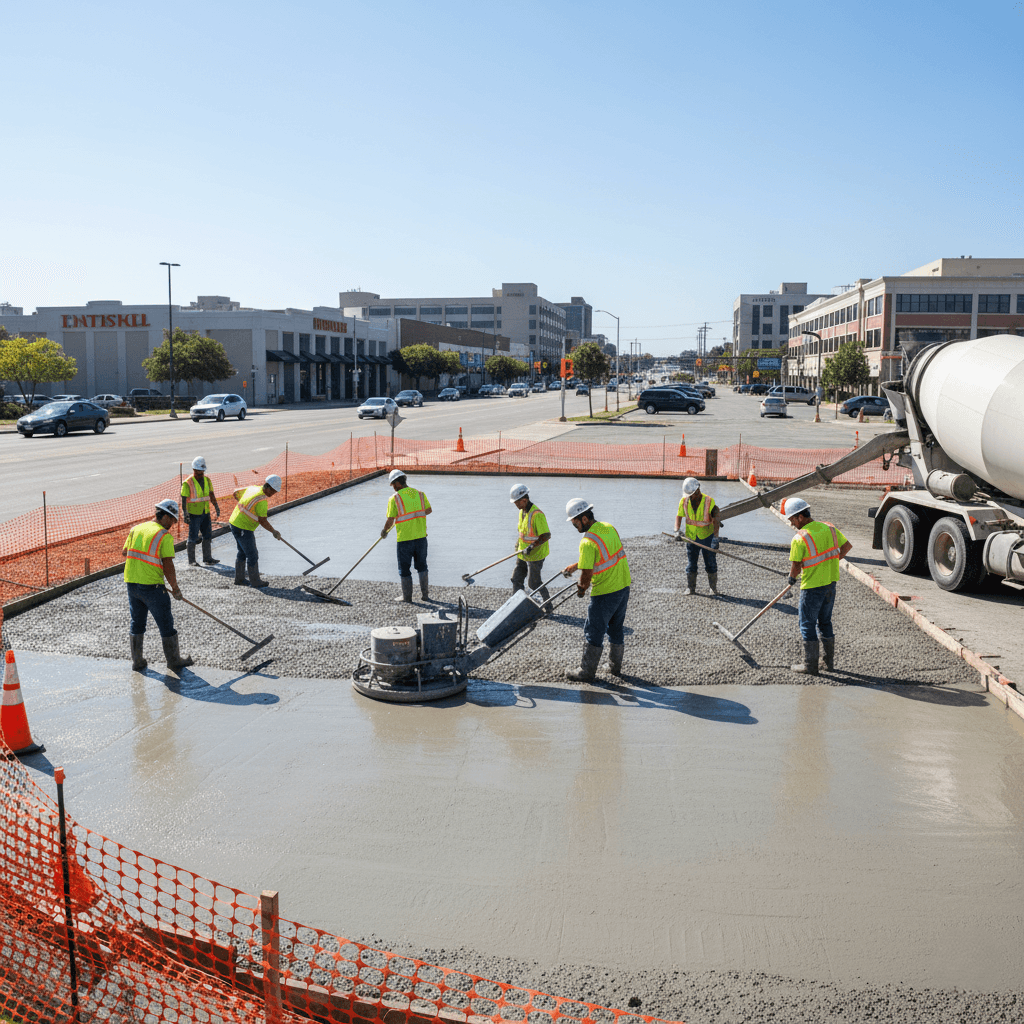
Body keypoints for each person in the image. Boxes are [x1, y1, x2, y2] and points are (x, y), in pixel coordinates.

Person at [562, 498, 631, 681]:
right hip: (623, 586)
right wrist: (574, 566)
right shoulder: (608, 527)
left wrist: (582, 590)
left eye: (575, 522)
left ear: (584, 519)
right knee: (616, 628)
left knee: (593, 630)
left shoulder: (586, 541)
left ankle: (586, 672)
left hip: (605, 591)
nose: (574, 526)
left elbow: (586, 575)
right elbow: (602, 555)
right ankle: (614, 668)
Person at [123, 499, 193, 672]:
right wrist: (175, 588)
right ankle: (174, 661)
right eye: (173, 520)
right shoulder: (163, 535)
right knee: (166, 623)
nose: (173, 524)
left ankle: (137, 661)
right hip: (153, 588)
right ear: (165, 516)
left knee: (137, 623)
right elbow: (168, 565)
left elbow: (125, 552)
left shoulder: (136, 529)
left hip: (132, 585)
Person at [785, 497, 852, 675]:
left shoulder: (799, 538)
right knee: (825, 622)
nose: (792, 524)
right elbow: (846, 547)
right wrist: (828, 563)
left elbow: (796, 565)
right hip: (830, 583)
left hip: (812, 587)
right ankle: (827, 664)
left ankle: (810, 666)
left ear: (800, 517)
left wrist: (791, 579)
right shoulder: (829, 528)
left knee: (806, 624)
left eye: (792, 520)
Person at [381, 469, 432, 603]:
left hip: (405, 540)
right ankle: (425, 595)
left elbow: (391, 519)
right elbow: (428, 510)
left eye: (393, 485)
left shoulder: (395, 498)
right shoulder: (420, 494)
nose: (393, 488)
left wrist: (384, 531)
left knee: (404, 569)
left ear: (397, 483)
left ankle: (407, 597)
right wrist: (415, 513)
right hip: (421, 537)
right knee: (422, 566)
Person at [229, 474, 282, 587]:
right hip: (243, 527)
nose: (272, 494)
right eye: (272, 491)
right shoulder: (262, 501)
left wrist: (245, 509)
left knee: (242, 552)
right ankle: (255, 581)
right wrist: (273, 531)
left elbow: (235, 493)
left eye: (274, 492)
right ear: (267, 486)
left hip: (234, 522)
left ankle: (239, 579)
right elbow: (263, 521)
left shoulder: (253, 488)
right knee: (252, 554)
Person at [675, 477, 721, 595]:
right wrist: (677, 531)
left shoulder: (709, 501)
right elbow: (679, 516)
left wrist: (715, 538)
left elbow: (716, 520)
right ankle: (691, 588)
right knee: (691, 564)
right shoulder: (684, 501)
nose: (689, 496)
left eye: (692, 494)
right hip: (691, 538)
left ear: (697, 491)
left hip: (707, 537)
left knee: (710, 563)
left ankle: (713, 589)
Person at [509, 483, 551, 607]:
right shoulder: (522, 511)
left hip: (536, 555)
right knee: (516, 579)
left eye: (517, 502)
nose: (515, 505)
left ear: (525, 500)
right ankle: (516, 605)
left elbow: (546, 535)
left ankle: (548, 605)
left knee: (534, 583)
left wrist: (532, 546)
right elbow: (523, 531)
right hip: (522, 552)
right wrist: (518, 543)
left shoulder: (537, 514)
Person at [181, 455, 222, 566]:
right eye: (199, 471)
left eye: (202, 471)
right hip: (194, 514)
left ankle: (207, 558)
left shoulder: (207, 480)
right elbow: (183, 500)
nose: (201, 473)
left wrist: (216, 506)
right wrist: (185, 514)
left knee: (208, 535)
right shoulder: (188, 482)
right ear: (194, 469)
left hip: (205, 512)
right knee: (193, 537)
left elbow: (211, 494)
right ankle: (192, 561)